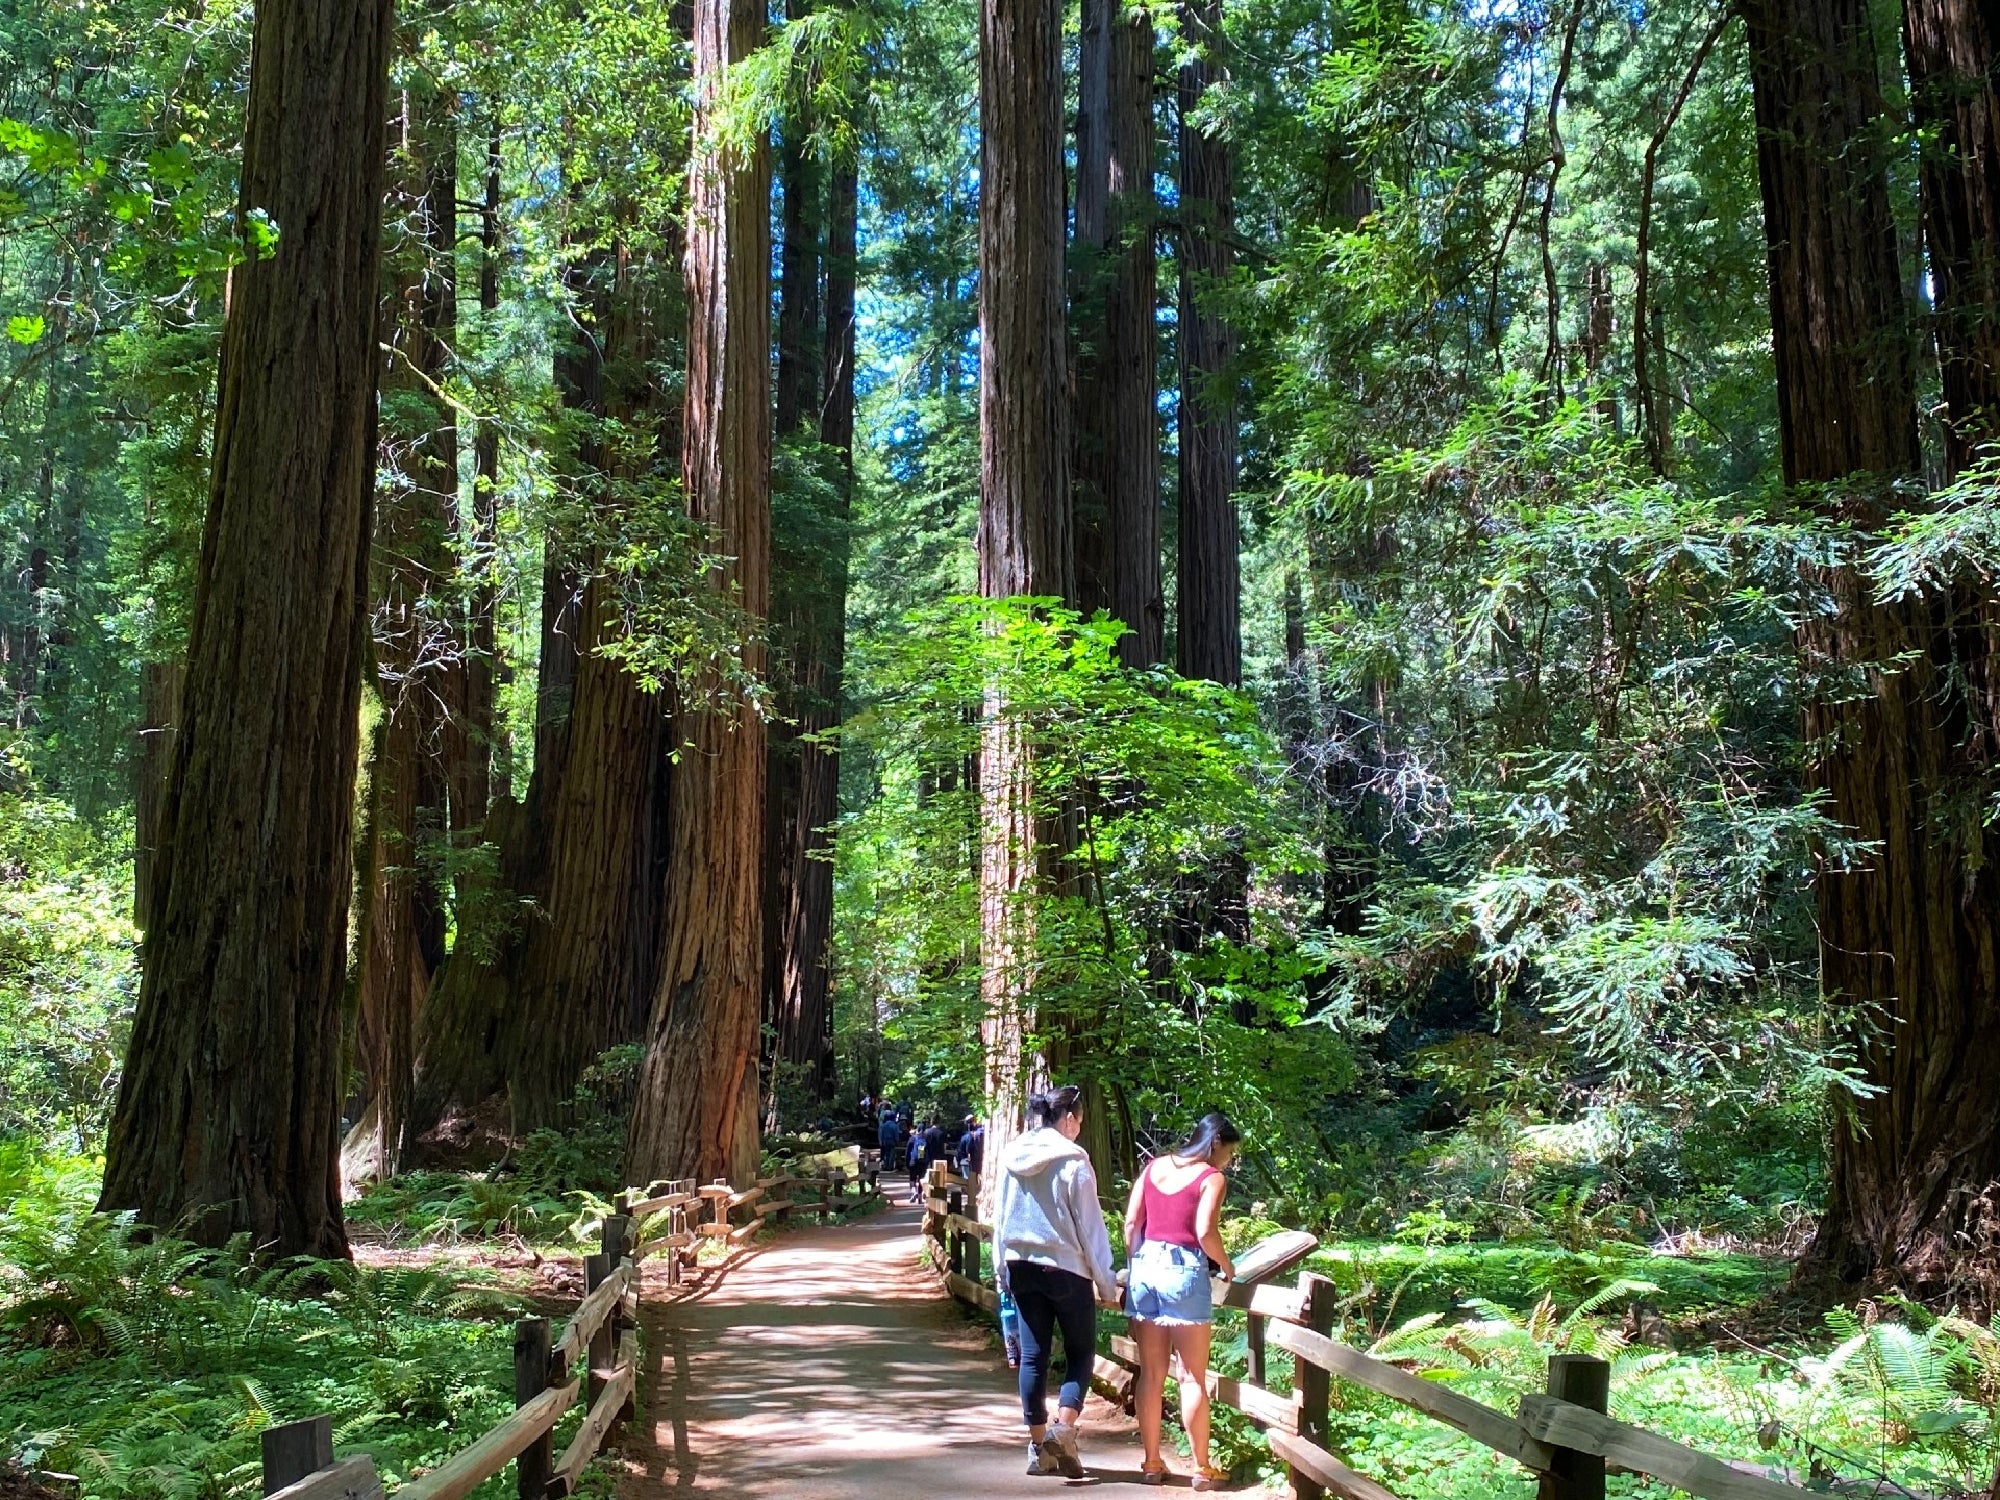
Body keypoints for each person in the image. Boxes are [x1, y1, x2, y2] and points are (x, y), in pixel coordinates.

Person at [994, 1085, 1120, 1479]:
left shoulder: (1012, 1156)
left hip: (1022, 1265)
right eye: (1080, 1122)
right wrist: (1106, 1283)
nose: (1079, 1130)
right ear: (1068, 1119)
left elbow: (1000, 1217)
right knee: (1081, 1352)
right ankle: (1063, 1431)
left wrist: (1002, 1270)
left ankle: (1038, 1448)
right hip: (1066, 1269)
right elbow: (1091, 1228)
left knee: (1033, 1357)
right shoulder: (1074, 1161)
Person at [1122, 1112, 1241, 1489]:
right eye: (1229, 1153)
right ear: (1217, 1144)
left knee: (1152, 1375)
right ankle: (1201, 1468)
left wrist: (1137, 1264)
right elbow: (1205, 1231)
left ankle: (1152, 1462)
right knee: (1191, 1377)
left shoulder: (1153, 1167)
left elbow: (1131, 1224)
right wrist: (1226, 1264)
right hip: (1183, 1270)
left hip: (1145, 1269)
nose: (1228, 1162)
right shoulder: (1211, 1178)